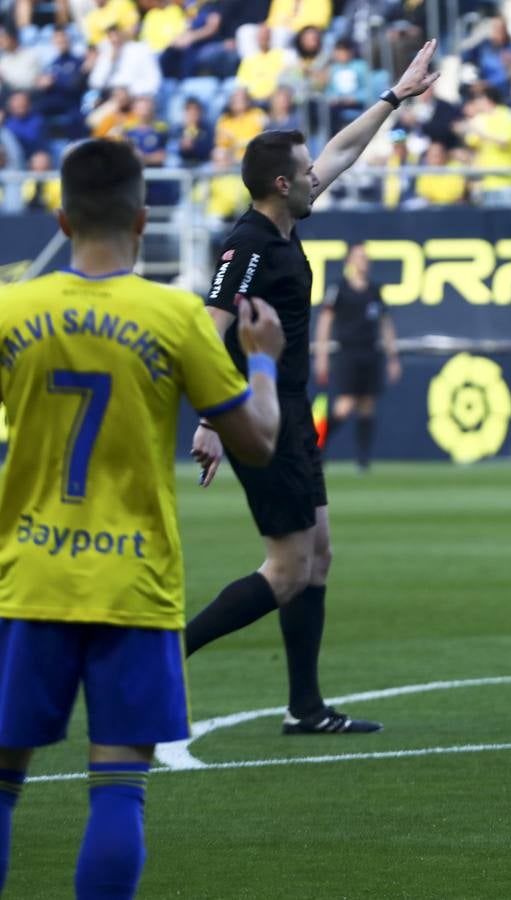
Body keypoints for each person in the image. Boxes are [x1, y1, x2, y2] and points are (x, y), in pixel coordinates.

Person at [0, 138, 282, 897]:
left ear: (60, 215)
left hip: (27, 577)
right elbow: (254, 444)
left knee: (1, 785)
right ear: (142, 217)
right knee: (119, 784)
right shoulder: (173, 317)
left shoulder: (9, 311)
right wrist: (262, 359)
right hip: (133, 582)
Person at [185, 40, 441, 735]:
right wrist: (215, 415)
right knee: (289, 567)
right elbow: (208, 328)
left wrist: (395, 97)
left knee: (317, 553)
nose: (316, 175)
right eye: (304, 172)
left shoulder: (284, 218)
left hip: (289, 410)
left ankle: (304, 707)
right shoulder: (248, 245)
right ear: (279, 185)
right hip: (262, 417)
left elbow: (342, 151)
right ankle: (162, 656)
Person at [314, 242, 401, 472]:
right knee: (344, 405)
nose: (363, 261)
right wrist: (321, 354)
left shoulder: (375, 290)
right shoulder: (339, 289)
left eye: (366, 257)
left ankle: (363, 459)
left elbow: (386, 324)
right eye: (359, 256)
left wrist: (393, 357)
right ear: (349, 261)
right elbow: (325, 322)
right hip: (347, 352)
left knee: (367, 405)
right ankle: (317, 447)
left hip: (370, 351)